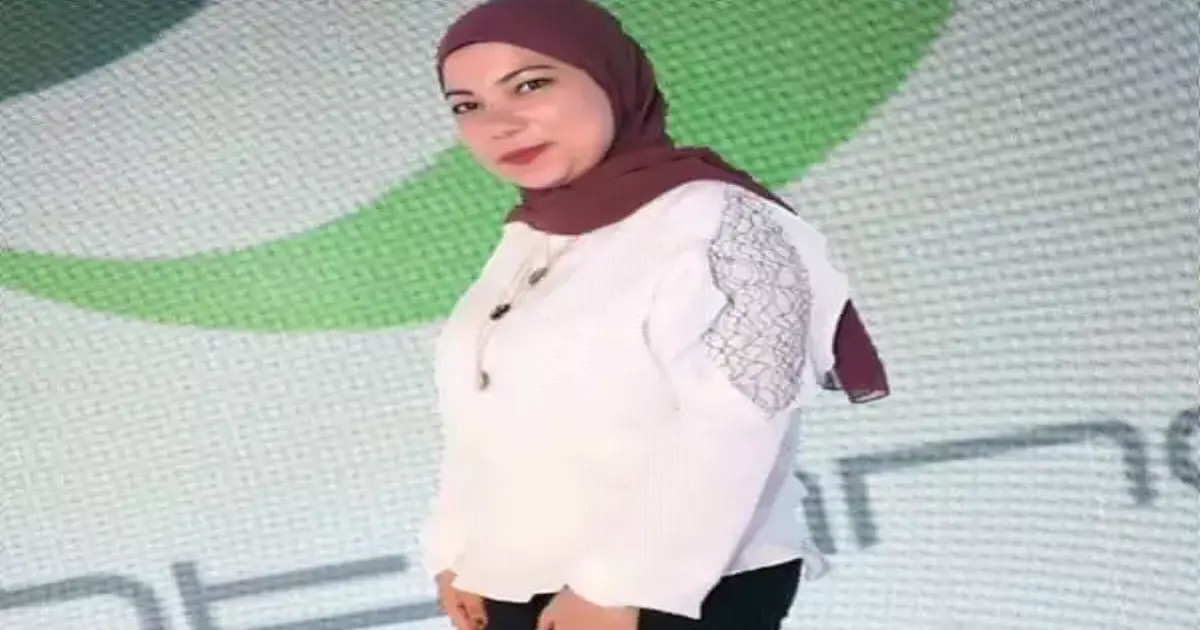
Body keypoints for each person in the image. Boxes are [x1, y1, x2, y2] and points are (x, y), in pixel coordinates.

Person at [420, 0, 889, 628]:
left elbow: (739, 420)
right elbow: (483, 416)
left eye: (530, 85)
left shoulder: (720, 219)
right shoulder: (534, 235)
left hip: (674, 588)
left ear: (610, 78)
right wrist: (457, 549)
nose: (499, 124)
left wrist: (621, 586)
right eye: (467, 106)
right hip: (517, 579)